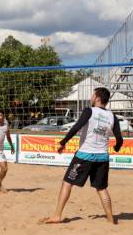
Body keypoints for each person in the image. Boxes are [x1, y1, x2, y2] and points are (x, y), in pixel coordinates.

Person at [42, 87, 123, 225]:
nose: (91, 97)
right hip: (103, 157)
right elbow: (120, 139)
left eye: (93, 94)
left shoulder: (89, 111)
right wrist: (116, 147)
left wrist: (63, 142)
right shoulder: (112, 116)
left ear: (97, 98)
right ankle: (111, 220)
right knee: (102, 189)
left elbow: (76, 127)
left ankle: (57, 215)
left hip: (85, 155)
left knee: (67, 183)